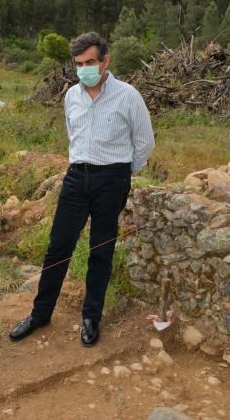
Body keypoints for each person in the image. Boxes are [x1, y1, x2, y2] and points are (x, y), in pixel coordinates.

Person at [9, 32, 155, 346]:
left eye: (90, 62)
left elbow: (144, 143)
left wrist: (122, 173)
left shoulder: (128, 96)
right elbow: (73, 135)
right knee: (57, 248)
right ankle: (40, 313)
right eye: (79, 64)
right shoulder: (71, 96)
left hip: (112, 179)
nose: (84, 68)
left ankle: (91, 317)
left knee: (101, 251)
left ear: (105, 61)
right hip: (76, 177)